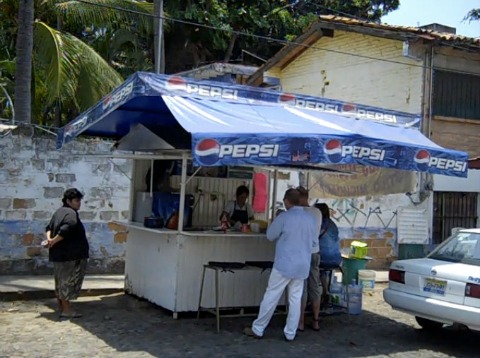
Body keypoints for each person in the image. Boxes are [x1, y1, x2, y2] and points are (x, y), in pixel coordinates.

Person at [243, 188, 317, 341]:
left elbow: (270, 236)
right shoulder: (310, 219)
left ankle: (258, 328)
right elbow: (314, 242)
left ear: (287, 201)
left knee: (271, 295)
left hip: (284, 264)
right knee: (295, 299)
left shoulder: (284, 217)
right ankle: (290, 333)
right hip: (302, 264)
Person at [45, 188, 89, 318]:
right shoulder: (70, 214)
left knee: (60, 281)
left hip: (59, 253)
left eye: (79, 200)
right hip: (71, 254)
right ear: (68, 201)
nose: (79, 203)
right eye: (76, 201)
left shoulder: (59, 212)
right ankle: (67, 310)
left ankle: (62, 306)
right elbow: (67, 229)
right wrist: (53, 240)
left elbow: (49, 227)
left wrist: (50, 239)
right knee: (67, 282)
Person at [296, 186, 323, 331]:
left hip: (302, 253)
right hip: (315, 252)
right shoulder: (317, 212)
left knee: (302, 288)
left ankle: (300, 322)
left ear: (300, 198)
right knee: (315, 287)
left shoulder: (299, 213)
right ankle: (316, 320)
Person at [315, 203, 342, 307]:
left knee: (310, 265)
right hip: (336, 259)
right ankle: (325, 291)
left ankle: (312, 296)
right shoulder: (332, 224)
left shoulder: (320, 223)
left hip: (324, 258)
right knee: (322, 269)